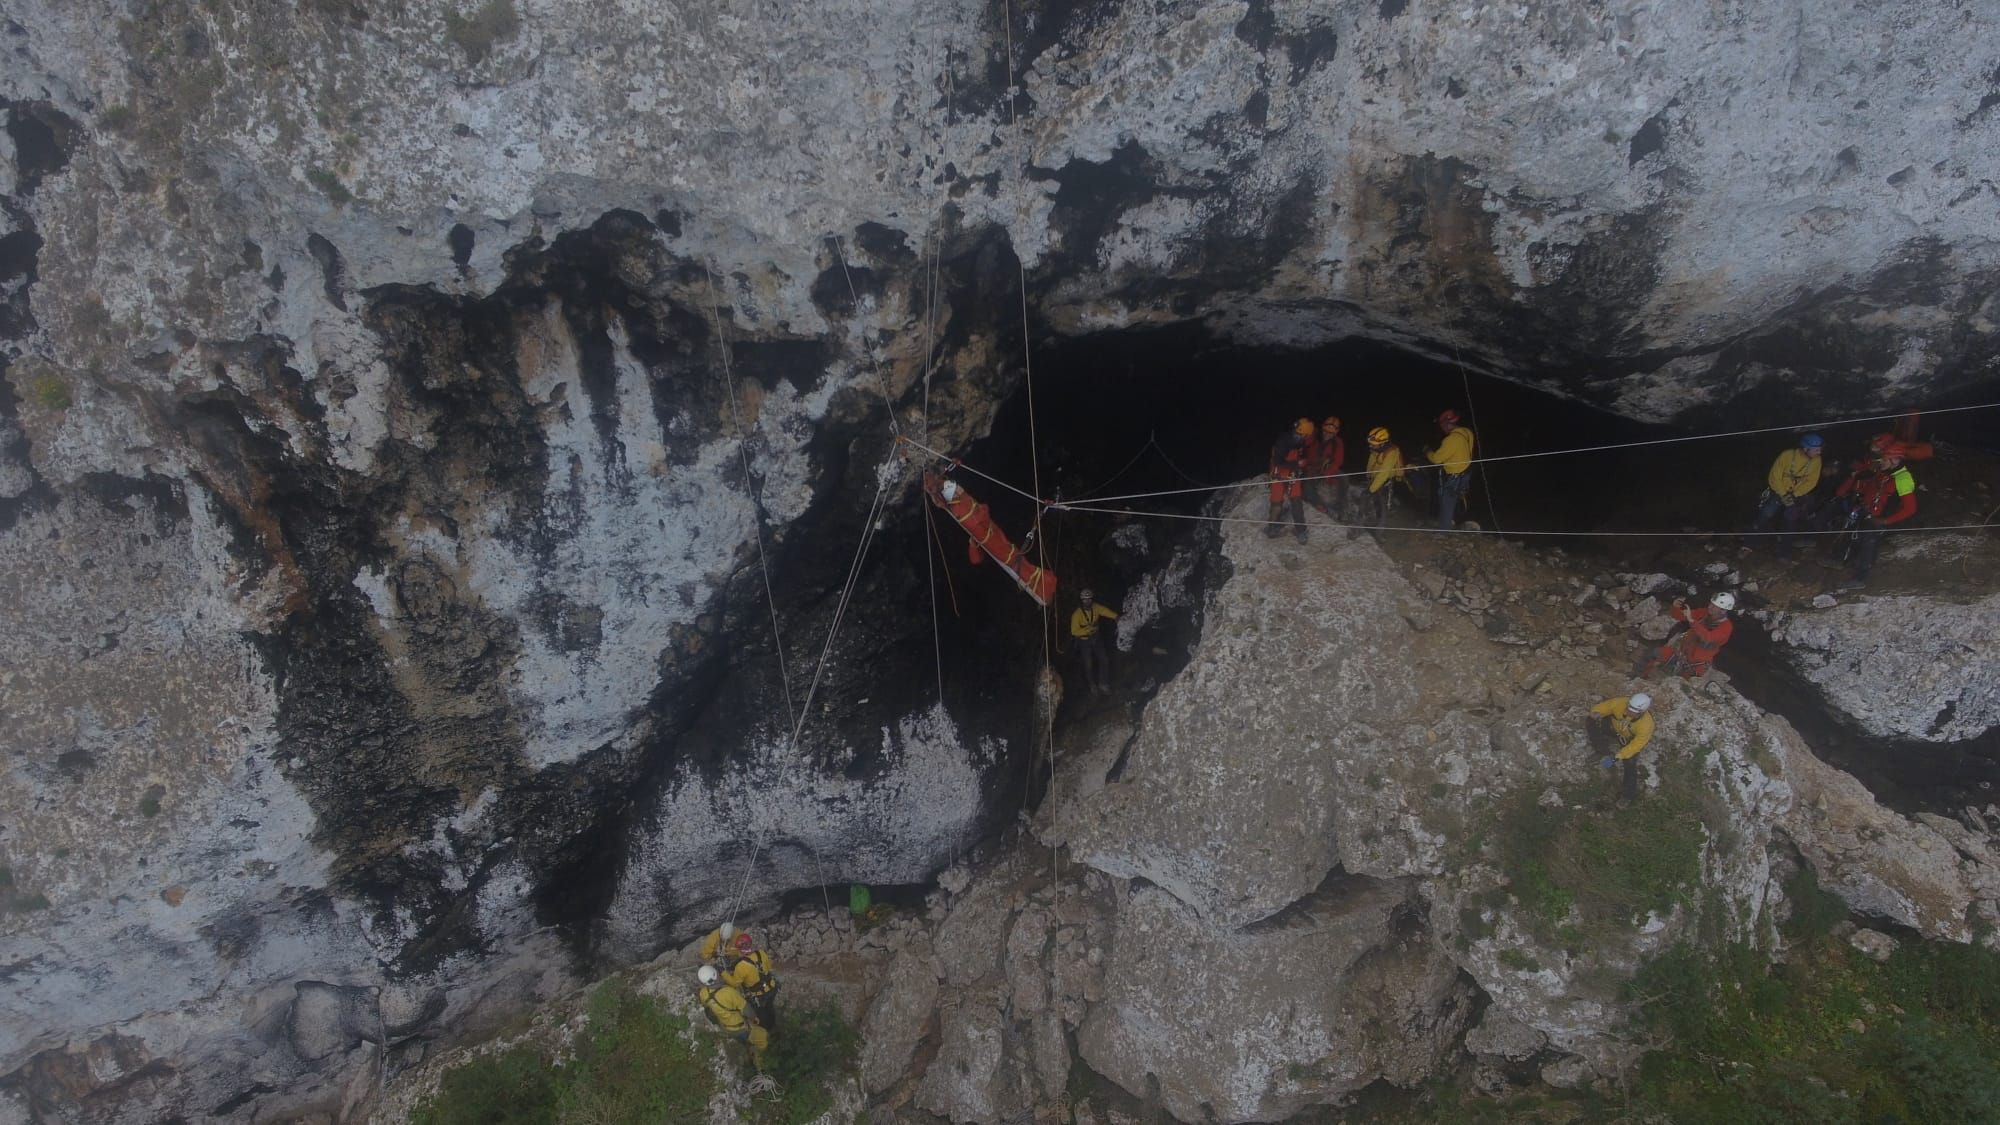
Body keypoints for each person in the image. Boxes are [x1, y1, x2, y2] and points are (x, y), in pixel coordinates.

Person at [1832, 442, 1917, 589]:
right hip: (1871, 512)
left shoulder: (1902, 479)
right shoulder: (1887, 472)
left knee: (1868, 542)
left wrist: (1884, 520)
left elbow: (1910, 509)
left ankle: (1860, 578)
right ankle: (1842, 559)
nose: (1880, 461)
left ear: (1895, 460)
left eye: (1884, 459)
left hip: (1882, 518)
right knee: (1853, 531)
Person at [1752, 433, 1823, 558]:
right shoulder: (1787, 455)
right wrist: (1783, 494)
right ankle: (1751, 542)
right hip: (1778, 490)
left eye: (1820, 449)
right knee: (1766, 514)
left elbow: (1811, 481)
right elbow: (1775, 476)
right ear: (1805, 448)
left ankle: (1784, 552)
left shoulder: (1816, 461)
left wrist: (1795, 494)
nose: (1819, 452)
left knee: (1790, 520)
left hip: (1796, 493)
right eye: (1816, 449)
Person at [1639, 592, 1735, 679]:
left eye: (1714, 607)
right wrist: (1676, 607)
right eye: (1711, 604)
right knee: (1653, 654)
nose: (1710, 607)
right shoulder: (1705, 613)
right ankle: (1638, 677)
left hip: (1695, 664)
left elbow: (1708, 638)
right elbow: (1679, 616)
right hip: (1681, 653)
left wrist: (1692, 621)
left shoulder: (1726, 628)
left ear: (1723, 611)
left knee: (1679, 683)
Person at [1586, 692, 1655, 802]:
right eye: (1628, 709)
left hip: (1628, 739)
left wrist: (1617, 757)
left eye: (1633, 712)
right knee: (1591, 721)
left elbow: (1635, 746)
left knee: (1630, 762)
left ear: (1641, 713)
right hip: (1614, 728)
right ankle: (1601, 750)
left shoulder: (1646, 725)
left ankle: (1627, 796)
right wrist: (1597, 712)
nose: (1628, 712)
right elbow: (1604, 707)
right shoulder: (1620, 703)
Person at [696, 964, 768, 1068]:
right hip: (740, 1028)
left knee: (745, 1041)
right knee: (763, 1037)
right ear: (716, 975)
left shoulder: (703, 993)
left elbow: (707, 1005)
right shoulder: (729, 992)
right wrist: (755, 1018)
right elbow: (746, 1009)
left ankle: (747, 1049)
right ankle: (760, 1066)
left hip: (724, 1027)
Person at [1425, 409, 1476, 530]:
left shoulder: (1451, 439)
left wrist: (1427, 451)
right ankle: (1451, 521)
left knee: (1447, 501)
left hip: (1455, 476)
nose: (1442, 428)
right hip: (1466, 473)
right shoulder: (1467, 432)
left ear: (1447, 424)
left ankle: (1443, 531)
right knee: (1453, 498)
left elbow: (1436, 459)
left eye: (1442, 425)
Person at [1267, 418, 1312, 542]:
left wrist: (1300, 465)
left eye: (1301, 435)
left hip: (1292, 473)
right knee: (1276, 503)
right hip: (1279, 473)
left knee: (1296, 501)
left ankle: (1301, 531)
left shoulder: (1302, 443)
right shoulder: (1283, 441)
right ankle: (1272, 527)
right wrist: (1297, 464)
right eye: (1297, 433)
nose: (1297, 436)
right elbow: (1278, 461)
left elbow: (1303, 455)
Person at [1069, 587, 1120, 695]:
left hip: (1096, 638)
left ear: (1092, 599)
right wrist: (1088, 630)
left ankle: (1103, 683)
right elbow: (1074, 631)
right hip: (1084, 641)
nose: (1087, 602)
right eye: (1085, 599)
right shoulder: (1077, 615)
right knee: (1088, 664)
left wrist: (1116, 617)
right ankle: (1092, 685)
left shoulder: (1095, 607)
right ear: (1081, 600)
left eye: (1089, 599)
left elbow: (1105, 611)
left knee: (1104, 659)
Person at [1361, 426, 1406, 529]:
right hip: (1377, 477)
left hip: (1387, 478)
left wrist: (1372, 489)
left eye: (1374, 445)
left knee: (1382, 504)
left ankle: (1380, 530)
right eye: (1371, 444)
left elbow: (1384, 473)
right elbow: (1372, 461)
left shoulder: (1392, 452)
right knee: (1374, 499)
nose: (1371, 446)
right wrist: (1368, 475)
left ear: (1383, 443)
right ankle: (1373, 520)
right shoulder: (1376, 448)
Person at [1305, 416, 1347, 521]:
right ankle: (1319, 505)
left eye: (1330, 433)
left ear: (1335, 433)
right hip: (1310, 468)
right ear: (1322, 428)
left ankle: (1341, 508)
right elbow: (1303, 446)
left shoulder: (1337, 442)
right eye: (1325, 431)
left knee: (1343, 478)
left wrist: (1328, 473)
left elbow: (1338, 461)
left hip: (1325, 468)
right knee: (1305, 483)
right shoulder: (1313, 436)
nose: (1327, 434)